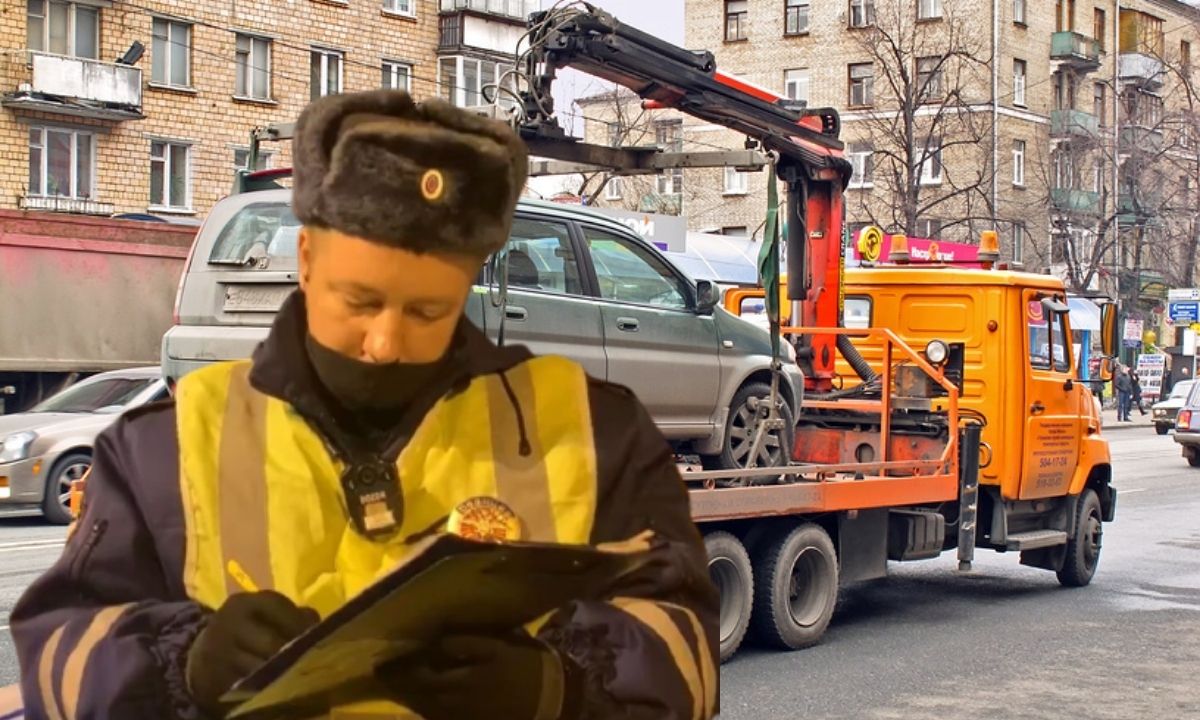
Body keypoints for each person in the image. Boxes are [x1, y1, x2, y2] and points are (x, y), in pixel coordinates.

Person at [11, 91, 718, 720]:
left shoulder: (595, 431)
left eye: (426, 309)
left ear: (471, 281)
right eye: (360, 301)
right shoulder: (163, 445)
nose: (384, 342)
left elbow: (686, 655)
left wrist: (554, 688)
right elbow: (60, 655)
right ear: (309, 259)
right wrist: (185, 664)